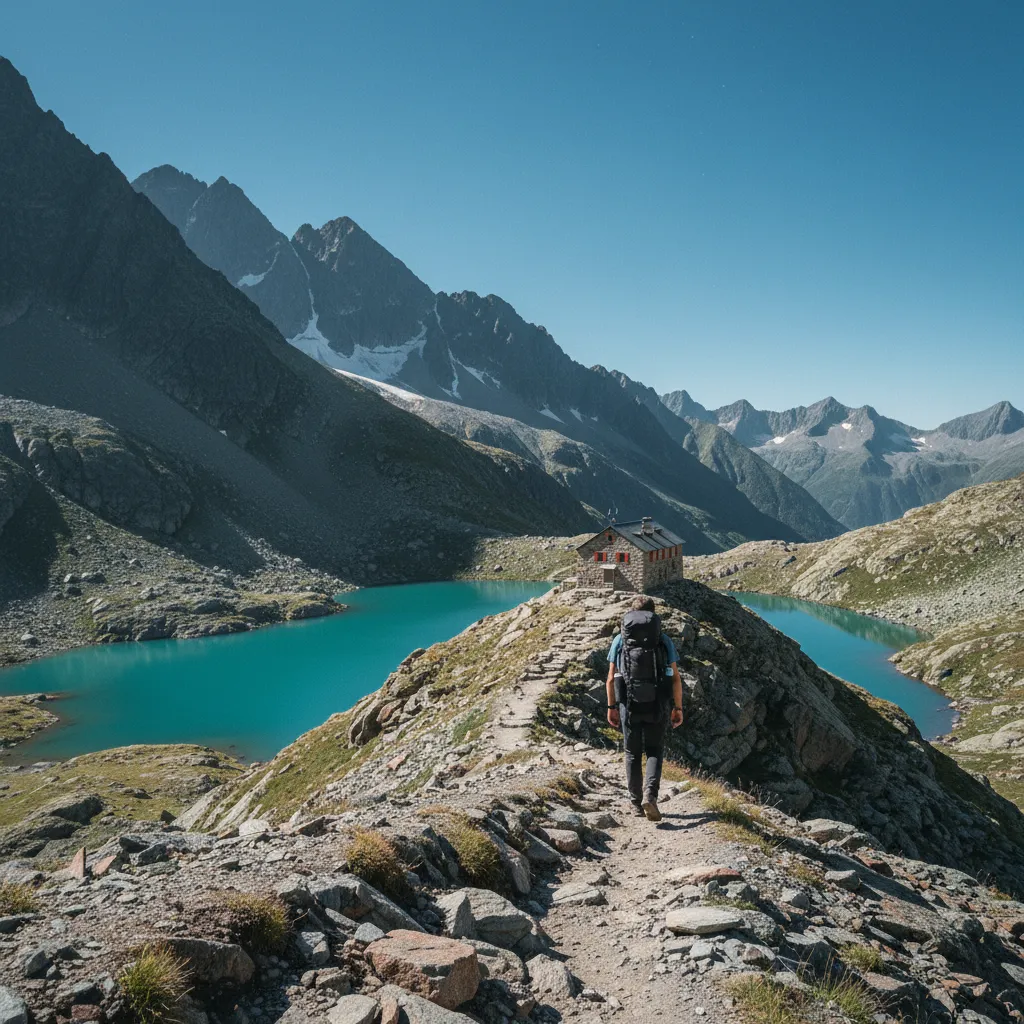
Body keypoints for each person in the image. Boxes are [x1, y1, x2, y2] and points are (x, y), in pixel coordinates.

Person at [605, 595, 683, 821]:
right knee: (655, 751)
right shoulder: (663, 640)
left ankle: (635, 804)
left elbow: (611, 678)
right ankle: (650, 796)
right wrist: (677, 707)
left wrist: (611, 706)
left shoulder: (620, 640)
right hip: (657, 702)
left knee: (631, 752)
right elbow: (676, 678)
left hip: (628, 703)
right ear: (653, 615)